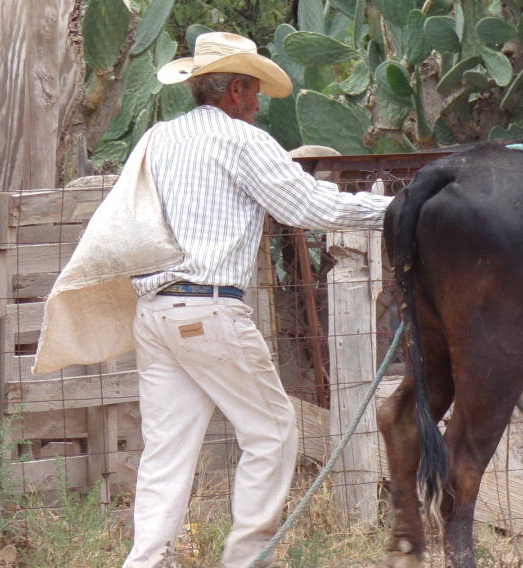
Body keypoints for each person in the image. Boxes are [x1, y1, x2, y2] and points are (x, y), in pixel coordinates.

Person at [120, 32, 392, 567]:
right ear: (237, 90)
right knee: (271, 431)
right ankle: (247, 558)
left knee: (166, 452)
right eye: (255, 91)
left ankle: (145, 562)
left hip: (154, 312)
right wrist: (397, 210)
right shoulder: (243, 140)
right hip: (208, 306)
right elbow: (309, 207)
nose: (259, 103)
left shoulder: (157, 137)